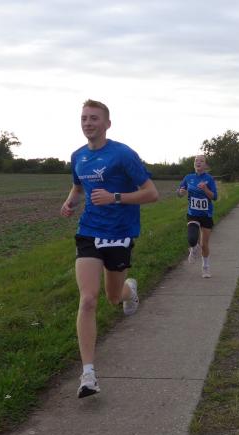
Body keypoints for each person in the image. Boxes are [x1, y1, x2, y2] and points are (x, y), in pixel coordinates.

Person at [60, 99, 159, 398]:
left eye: (94, 118)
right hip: (89, 232)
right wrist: (70, 202)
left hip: (119, 233)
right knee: (88, 299)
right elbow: (79, 187)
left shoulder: (123, 154)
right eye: (84, 118)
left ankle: (130, 290)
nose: (88, 123)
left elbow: (151, 193)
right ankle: (88, 374)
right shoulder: (78, 156)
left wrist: (115, 197)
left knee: (113, 297)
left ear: (107, 123)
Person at [178, 154, 218, 278]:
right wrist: (181, 192)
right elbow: (179, 192)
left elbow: (214, 197)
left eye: (201, 161)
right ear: (194, 164)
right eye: (196, 160)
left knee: (204, 244)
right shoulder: (188, 177)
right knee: (192, 239)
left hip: (206, 215)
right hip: (193, 214)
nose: (198, 162)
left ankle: (205, 267)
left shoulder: (209, 179)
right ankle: (193, 248)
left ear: (205, 165)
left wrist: (205, 189)